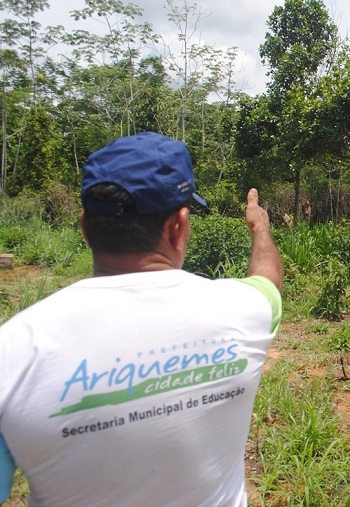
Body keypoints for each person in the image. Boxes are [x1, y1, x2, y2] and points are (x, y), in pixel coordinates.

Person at [0, 132, 283, 506]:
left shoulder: (14, 350)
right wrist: (260, 226)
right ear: (178, 226)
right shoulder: (243, 310)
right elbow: (268, 280)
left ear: (84, 227)